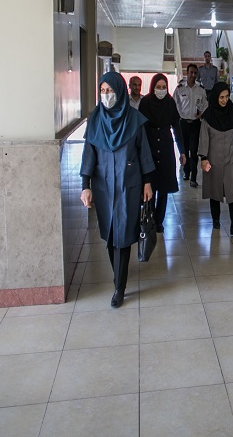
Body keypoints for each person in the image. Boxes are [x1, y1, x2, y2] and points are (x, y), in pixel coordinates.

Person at [80, 72, 154, 309]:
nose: (106, 95)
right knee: (111, 235)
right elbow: (88, 155)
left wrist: (147, 182)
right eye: (102, 91)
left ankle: (119, 287)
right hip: (103, 186)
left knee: (123, 235)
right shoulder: (95, 120)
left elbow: (144, 153)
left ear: (120, 91)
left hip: (128, 185)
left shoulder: (134, 119)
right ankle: (118, 277)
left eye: (110, 91)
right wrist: (85, 186)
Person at [139, 74, 185, 232]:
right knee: (150, 186)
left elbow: (176, 127)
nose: (161, 90)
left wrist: (182, 151)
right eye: (158, 87)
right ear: (152, 87)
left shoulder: (170, 102)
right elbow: (140, 128)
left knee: (164, 188)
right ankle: (150, 218)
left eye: (164, 87)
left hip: (165, 149)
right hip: (149, 148)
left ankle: (159, 221)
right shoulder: (145, 103)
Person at [199, 82, 233, 236]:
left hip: (231, 157)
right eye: (221, 97)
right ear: (215, 97)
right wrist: (203, 158)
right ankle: (216, 221)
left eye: (226, 97)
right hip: (214, 159)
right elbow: (204, 139)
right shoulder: (208, 117)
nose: (224, 100)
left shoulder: (232, 113)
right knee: (215, 190)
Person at [174, 63, 207, 188]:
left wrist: (201, 114)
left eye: (195, 73)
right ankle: (186, 172)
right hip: (183, 123)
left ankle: (194, 177)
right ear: (187, 73)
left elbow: (205, 105)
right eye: (191, 72)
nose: (193, 75)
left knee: (194, 151)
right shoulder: (180, 89)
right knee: (185, 150)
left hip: (195, 124)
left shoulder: (200, 89)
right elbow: (174, 104)